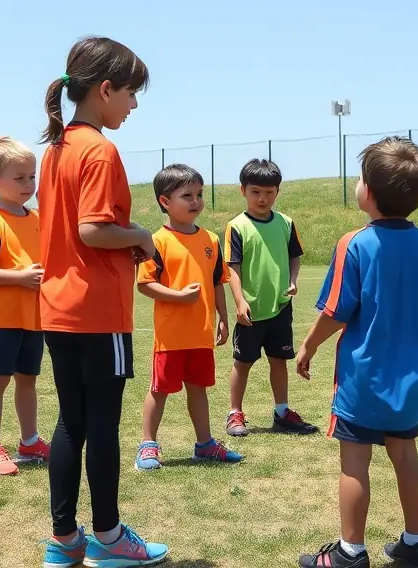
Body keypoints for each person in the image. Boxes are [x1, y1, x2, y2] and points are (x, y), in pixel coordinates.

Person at [37, 36, 168, 568]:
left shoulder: (56, 149)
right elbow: (93, 230)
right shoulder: (99, 149)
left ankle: (65, 539)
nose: (134, 105)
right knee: (102, 426)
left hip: (57, 308)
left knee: (71, 423)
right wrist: (141, 235)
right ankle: (110, 538)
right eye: (131, 94)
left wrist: (125, 239)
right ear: (105, 89)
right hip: (97, 313)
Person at [297, 137, 418, 568]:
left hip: (363, 379)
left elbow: (335, 312)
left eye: (361, 178)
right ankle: (415, 544)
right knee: (406, 455)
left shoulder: (355, 244)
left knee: (354, 463)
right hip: (410, 380)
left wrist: (307, 346)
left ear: (370, 192)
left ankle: (350, 552)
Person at [134, 163, 242, 471]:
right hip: (170, 336)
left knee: (199, 387)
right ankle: (148, 444)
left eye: (199, 194)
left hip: (200, 333)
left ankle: (205, 443)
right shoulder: (156, 241)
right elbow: (145, 284)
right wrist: (178, 296)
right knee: (160, 389)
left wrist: (223, 316)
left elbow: (217, 281)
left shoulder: (210, 239)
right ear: (165, 202)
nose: (196, 201)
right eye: (187, 195)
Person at [0, 136, 51, 476]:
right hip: (1, 319)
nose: (28, 184)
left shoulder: (37, 218)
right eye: (20, 178)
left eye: (32, 176)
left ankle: (29, 440)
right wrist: (19, 277)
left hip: (35, 318)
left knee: (28, 379)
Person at [224, 159, 317, 438]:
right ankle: (234, 413)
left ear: (277, 191)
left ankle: (282, 412)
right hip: (251, 310)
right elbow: (232, 267)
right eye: (255, 192)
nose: (262, 198)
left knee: (279, 360)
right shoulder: (237, 226)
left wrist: (292, 281)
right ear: (243, 190)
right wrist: (240, 301)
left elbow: (294, 257)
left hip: (280, 307)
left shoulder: (286, 223)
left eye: (269, 192)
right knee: (243, 363)